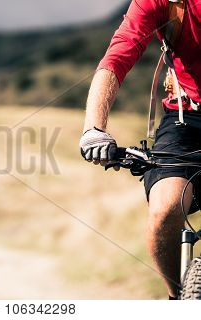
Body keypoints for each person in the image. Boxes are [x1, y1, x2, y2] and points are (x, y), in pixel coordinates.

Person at [79, 0, 201, 299]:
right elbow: (117, 58)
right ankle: (180, 298)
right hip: (187, 118)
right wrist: (94, 127)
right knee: (164, 211)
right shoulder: (163, 3)